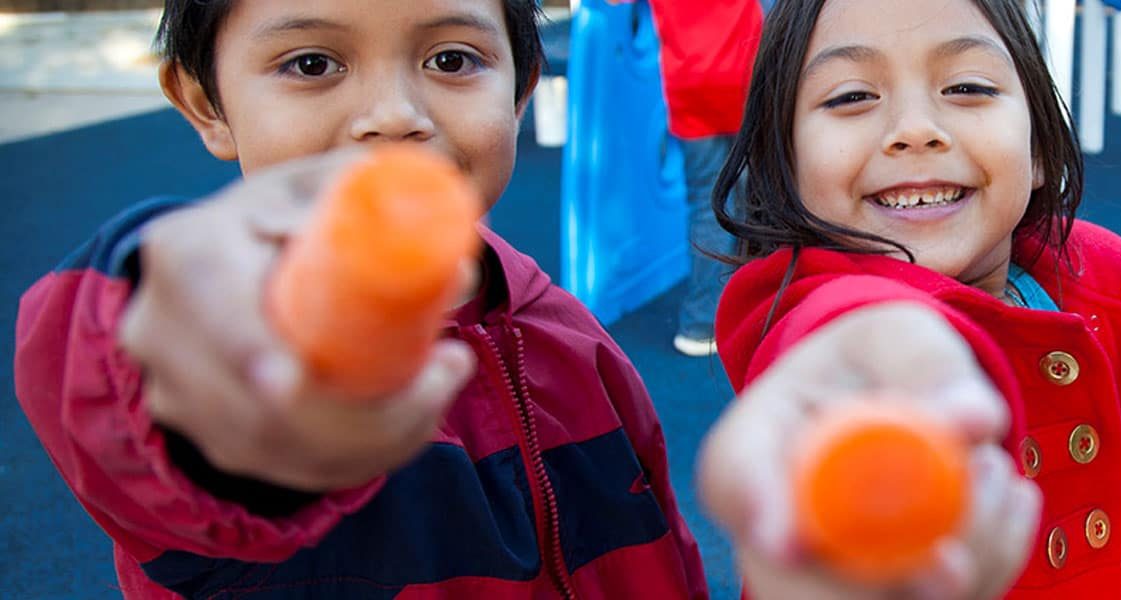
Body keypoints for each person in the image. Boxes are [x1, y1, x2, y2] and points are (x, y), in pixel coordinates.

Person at [13, 1, 706, 598]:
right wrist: (162, 307)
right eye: (312, 64)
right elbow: (109, 368)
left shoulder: (572, 333)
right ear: (205, 102)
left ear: (520, 92)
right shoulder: (249, 347)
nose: (395, 116)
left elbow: (665, 545)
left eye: (454, 60)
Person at [694, 0, 1121, 597]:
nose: (915, 129)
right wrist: (856, 367)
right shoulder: (824, 316)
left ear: (1037, 146)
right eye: (850, 96)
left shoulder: (1076, 291)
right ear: (787, 166)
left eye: (967, 86)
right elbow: (840, 330)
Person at [645, 0, 764, 357]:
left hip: (689, 84)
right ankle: (758, 305)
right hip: (743, 75)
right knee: (758, 196)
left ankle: (700, 323)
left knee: (707, 204)